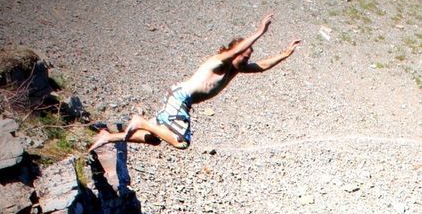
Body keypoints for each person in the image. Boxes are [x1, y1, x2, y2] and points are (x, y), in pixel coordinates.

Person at [88, 13, 300, 152]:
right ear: (232, 52)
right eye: (244, 54)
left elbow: (262, 66)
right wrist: (260, 32)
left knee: (154, 138)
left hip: (182, 100)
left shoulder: (235, 69)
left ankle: (108, 137)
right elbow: (236, 50)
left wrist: (286, 53)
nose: (246, 58)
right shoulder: (218, 61)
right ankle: (140, 121)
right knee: (181, 142)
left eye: (248, 55)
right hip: (181, 97)